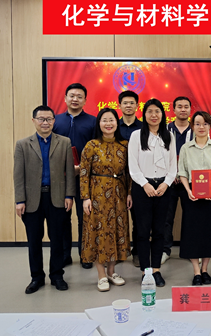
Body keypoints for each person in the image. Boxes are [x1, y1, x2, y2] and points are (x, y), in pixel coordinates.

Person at [14, 105, 75, 294]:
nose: (45, 123)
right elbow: (18, 175)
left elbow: (70, 172)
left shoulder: (64, 142)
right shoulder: (23, 144)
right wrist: (20, 200)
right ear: (34, 121)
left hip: (57, 197)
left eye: (49, 119)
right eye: (41, 119)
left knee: (57, 239)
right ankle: (36, 277)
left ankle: (57, 275)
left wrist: (69, 195)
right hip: (32, 199)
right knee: (34, 240)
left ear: (54, 121)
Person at [80, 108, 132, 291]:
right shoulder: (91, 145)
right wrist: (85, 197)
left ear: (117, 123)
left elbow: (129, 173)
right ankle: (101, 275)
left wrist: (129, 193)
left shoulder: (124, 145)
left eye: (112, 120)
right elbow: (84, 173)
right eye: (104, 120)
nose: (108, 124)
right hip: (97, 196)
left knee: (117, 232)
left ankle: (111, 271)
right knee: (98, 232)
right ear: (99, 123)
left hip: (119, 195)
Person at [128, 98, 177, 287]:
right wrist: (145, 184)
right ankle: (145, 271)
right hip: (142, 188)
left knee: (159, 231)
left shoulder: (169, 136)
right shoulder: (136, 136)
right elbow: (133, 165)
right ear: (144, 114)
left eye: (157, 111)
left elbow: (173, 164)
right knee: (142, 231)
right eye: (150, 111)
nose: (154, 115)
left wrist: (166, 184)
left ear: (162, 114)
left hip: (163, 187)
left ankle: (156, 270)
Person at [178, 111, 211, 286]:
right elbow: (182, 172)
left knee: (209, 232)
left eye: (205, 123)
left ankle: (205, 269)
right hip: (191, 194)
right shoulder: (186, 148)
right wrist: (187, 189)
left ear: (210, 126)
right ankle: (196, 271)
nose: (201, 127)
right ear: (192, 126)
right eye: (197, 123)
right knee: (192, 232)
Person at [53, 83, 97, 269]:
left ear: (85, 100)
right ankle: (65, 255)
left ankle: (84, 255)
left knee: (84, 217)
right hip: (60, 177)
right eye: (72, 96)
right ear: (65, 98)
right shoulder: (55, 121)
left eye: (79, 96)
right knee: (62, 217)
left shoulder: (93, 121)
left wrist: (83, 169)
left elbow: (96, 149)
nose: (75, 99)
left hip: (84, 177)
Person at [162, 96, 193, 265]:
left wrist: (184, 175)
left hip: (190, 182)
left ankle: (190, 251)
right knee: (166, 218)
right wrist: (171, 175)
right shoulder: (165, 130)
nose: (183, 109)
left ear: (190, 110)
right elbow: (159, 156)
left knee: (190, 217)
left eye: (186, 106)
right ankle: (165, 250)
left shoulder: (196, 130)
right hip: (168, 182)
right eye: (179, 106)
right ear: (173, 110)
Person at [117, 90, 142, 267]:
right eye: (125, 103)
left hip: (138, 177)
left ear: (137, 106)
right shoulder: (113, 125)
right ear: (119, 105)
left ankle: (138, 252)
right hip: (116, 177)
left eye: (132, 103)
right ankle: (118, 252)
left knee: (138, 218)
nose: (128, 106)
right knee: (117, 216)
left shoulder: (143, 127)